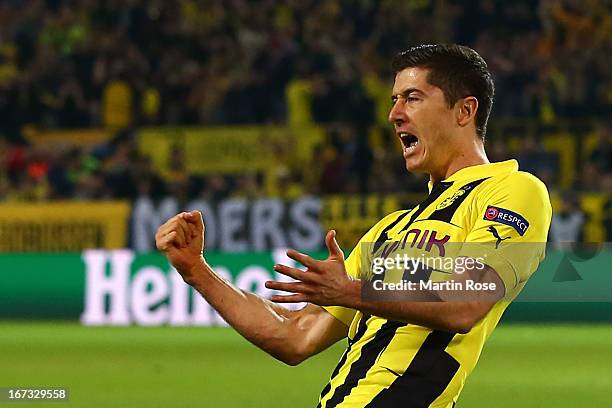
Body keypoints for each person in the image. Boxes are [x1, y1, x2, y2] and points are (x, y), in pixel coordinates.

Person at [155, 44, 552, 408]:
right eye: (394, 100)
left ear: (465, 111)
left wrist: (351, 290)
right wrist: (198, 271)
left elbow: (467, 303)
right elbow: (297, 335)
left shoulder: (512, 190)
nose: (395, 114)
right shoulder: (388, 231)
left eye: (413, 98)